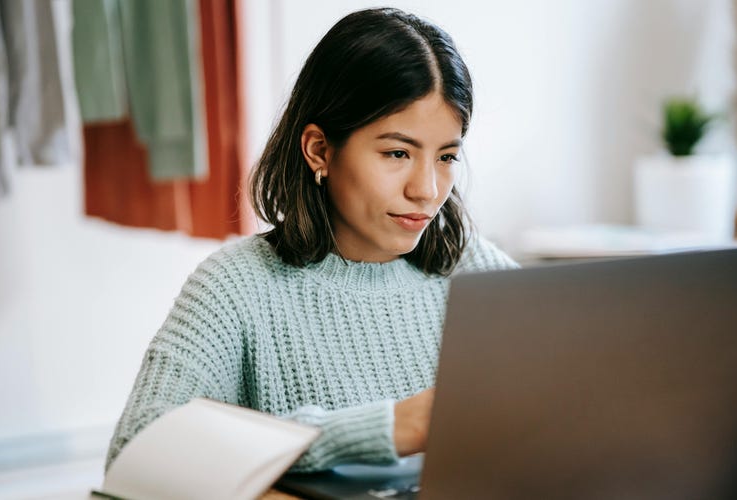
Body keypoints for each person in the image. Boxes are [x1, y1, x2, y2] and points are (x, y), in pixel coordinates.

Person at [105, 7, 518, 473]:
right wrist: (382, 429)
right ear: (319, 150)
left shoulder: (477, 270)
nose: (426, 189)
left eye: (446, 157)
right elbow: (134, 452)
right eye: (397, 153)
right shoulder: (236, 287)